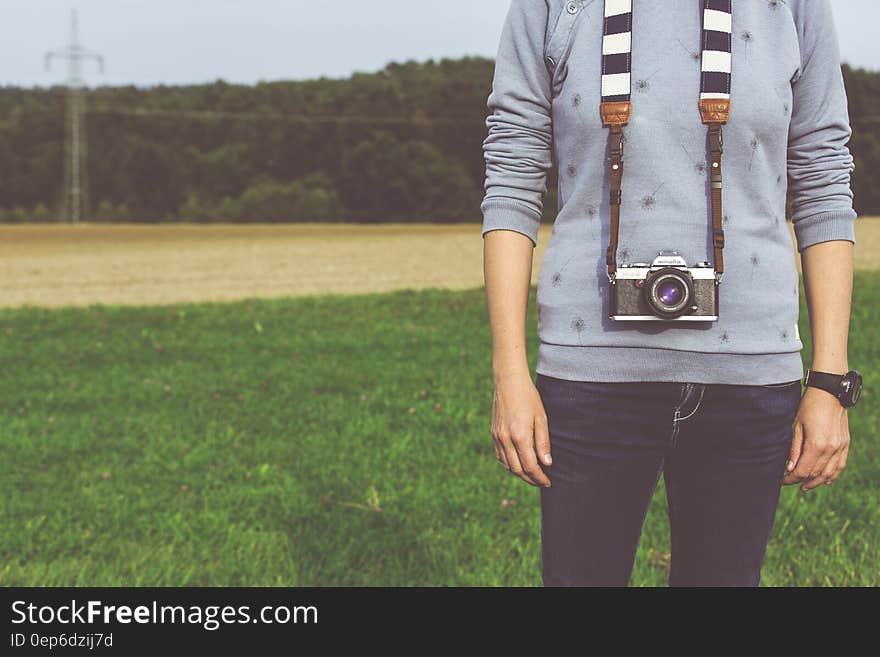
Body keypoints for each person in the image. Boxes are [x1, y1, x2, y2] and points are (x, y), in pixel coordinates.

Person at [481, 0, 861, 586]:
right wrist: (509, 374)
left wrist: (830, 381)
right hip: (590, 374)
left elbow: (824, 180)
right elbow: (512, 174)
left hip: (752, 376)